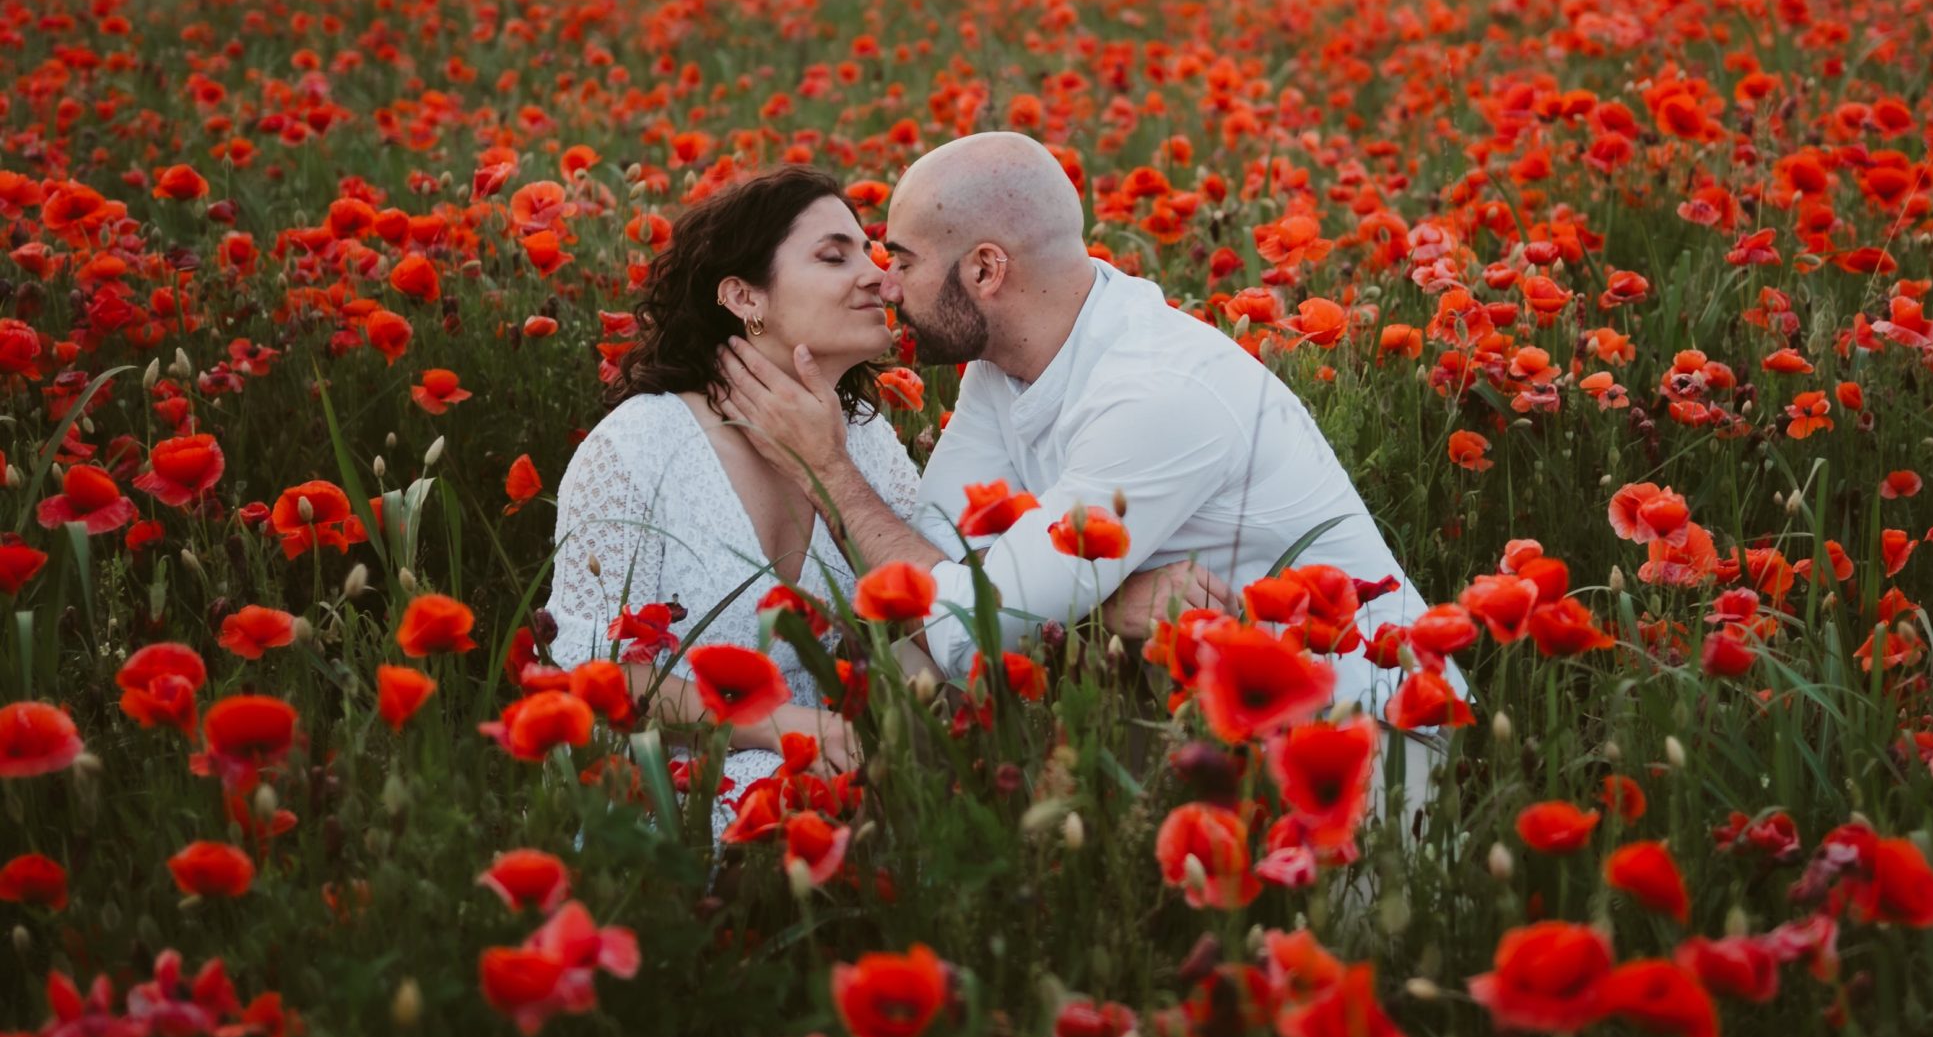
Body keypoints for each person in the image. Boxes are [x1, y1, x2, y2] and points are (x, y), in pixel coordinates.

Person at [709, 133, 1459, 793]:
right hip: (1205, 712)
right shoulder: (1005, 366)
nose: (888, 285)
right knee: (914, 671)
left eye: (901, 258)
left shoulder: (1153, 392)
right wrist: (1107, 606)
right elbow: (939, 574)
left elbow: (973, 619)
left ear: (985, 270)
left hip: (1364, 731)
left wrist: (826, 468)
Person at [544, 165, 1203, 843]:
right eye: (835, 255)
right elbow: (588, 672)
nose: (879, 276)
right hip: (676, 789)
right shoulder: (637, 447)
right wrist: (779, 726)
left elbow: (938, 606)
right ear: (744, 295)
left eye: (872, 250)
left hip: (852, 779)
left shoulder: (863, 441)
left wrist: (1106, 608)